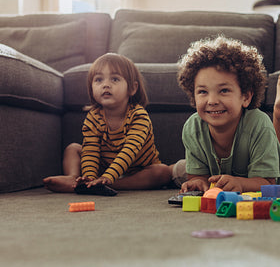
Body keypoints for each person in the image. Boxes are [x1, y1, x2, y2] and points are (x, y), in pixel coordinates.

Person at [43, 53, 183, 193]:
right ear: (91, 89)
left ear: (132, 88)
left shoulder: (138, 116)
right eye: (98, 80)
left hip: (136, 170)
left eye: (115, 79)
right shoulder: (93, 117)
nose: (106, 85)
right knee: (73, 149)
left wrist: (109, 177)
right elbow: (90, 151)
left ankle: (113, 185)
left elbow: (130, 150)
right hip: (103, 167)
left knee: (162, 172)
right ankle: (75, 179)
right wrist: (89, 177)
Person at [177, 36, 280, 193]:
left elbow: (268, 183)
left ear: (246, 97)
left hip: (272, 161)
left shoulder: (259, 124)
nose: (212, 101)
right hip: (227, 171)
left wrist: (241, 184)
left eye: (224, 90)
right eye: (202, 92)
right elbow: (198, 177)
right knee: (179, 169)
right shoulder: (193, 128)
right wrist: (199, 183)